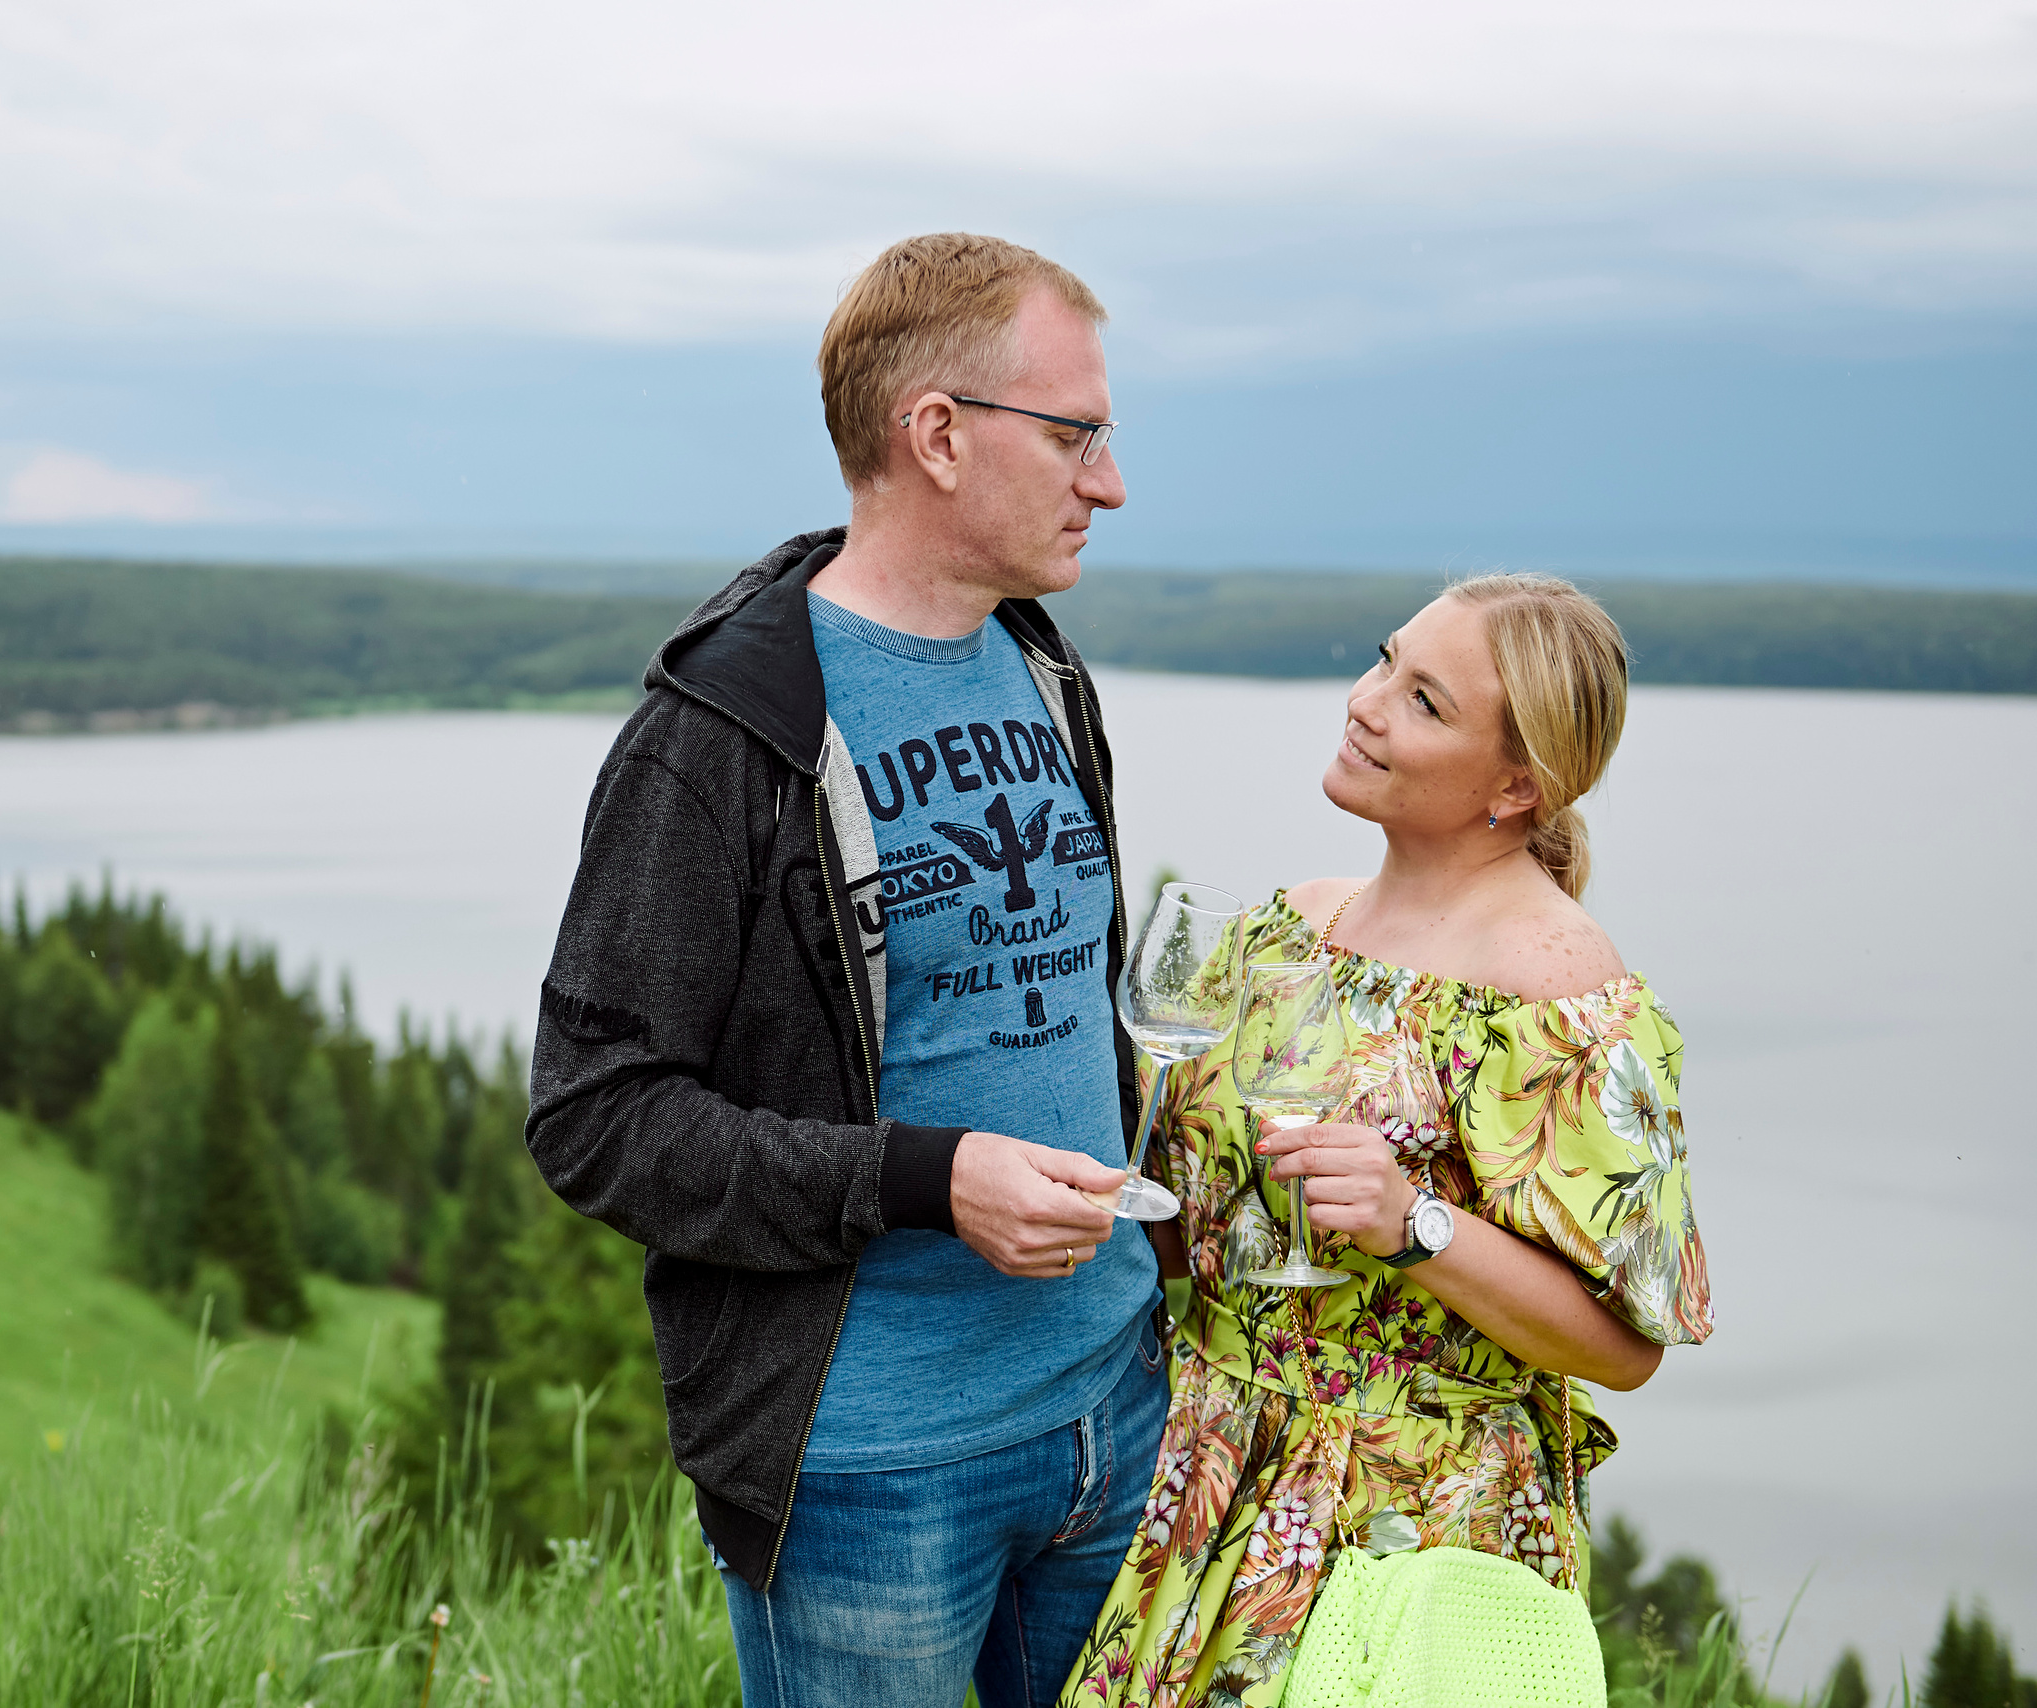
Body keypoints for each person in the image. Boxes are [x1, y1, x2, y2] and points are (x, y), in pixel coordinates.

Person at [527, 233, 1168, 1707]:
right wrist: (926, 1181)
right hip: (873, 1467)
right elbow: (595, 1119)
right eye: (1075, 435)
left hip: (1112, 1408)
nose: (1109, 481)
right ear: (935, 435)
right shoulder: (721, 733)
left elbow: (1061, 1010)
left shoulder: (1046, 669)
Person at [1059, 575, 1715, 1707]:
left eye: (1422, 700)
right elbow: (1195, 1225)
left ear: (1518, 784)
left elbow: (1624, 1346)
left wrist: (1414, 1222)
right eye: (1382, 660)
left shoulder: (1555, 982)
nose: (1364, 701)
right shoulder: (1289, 924)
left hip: (1412, 1530)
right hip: (1205, 1485)